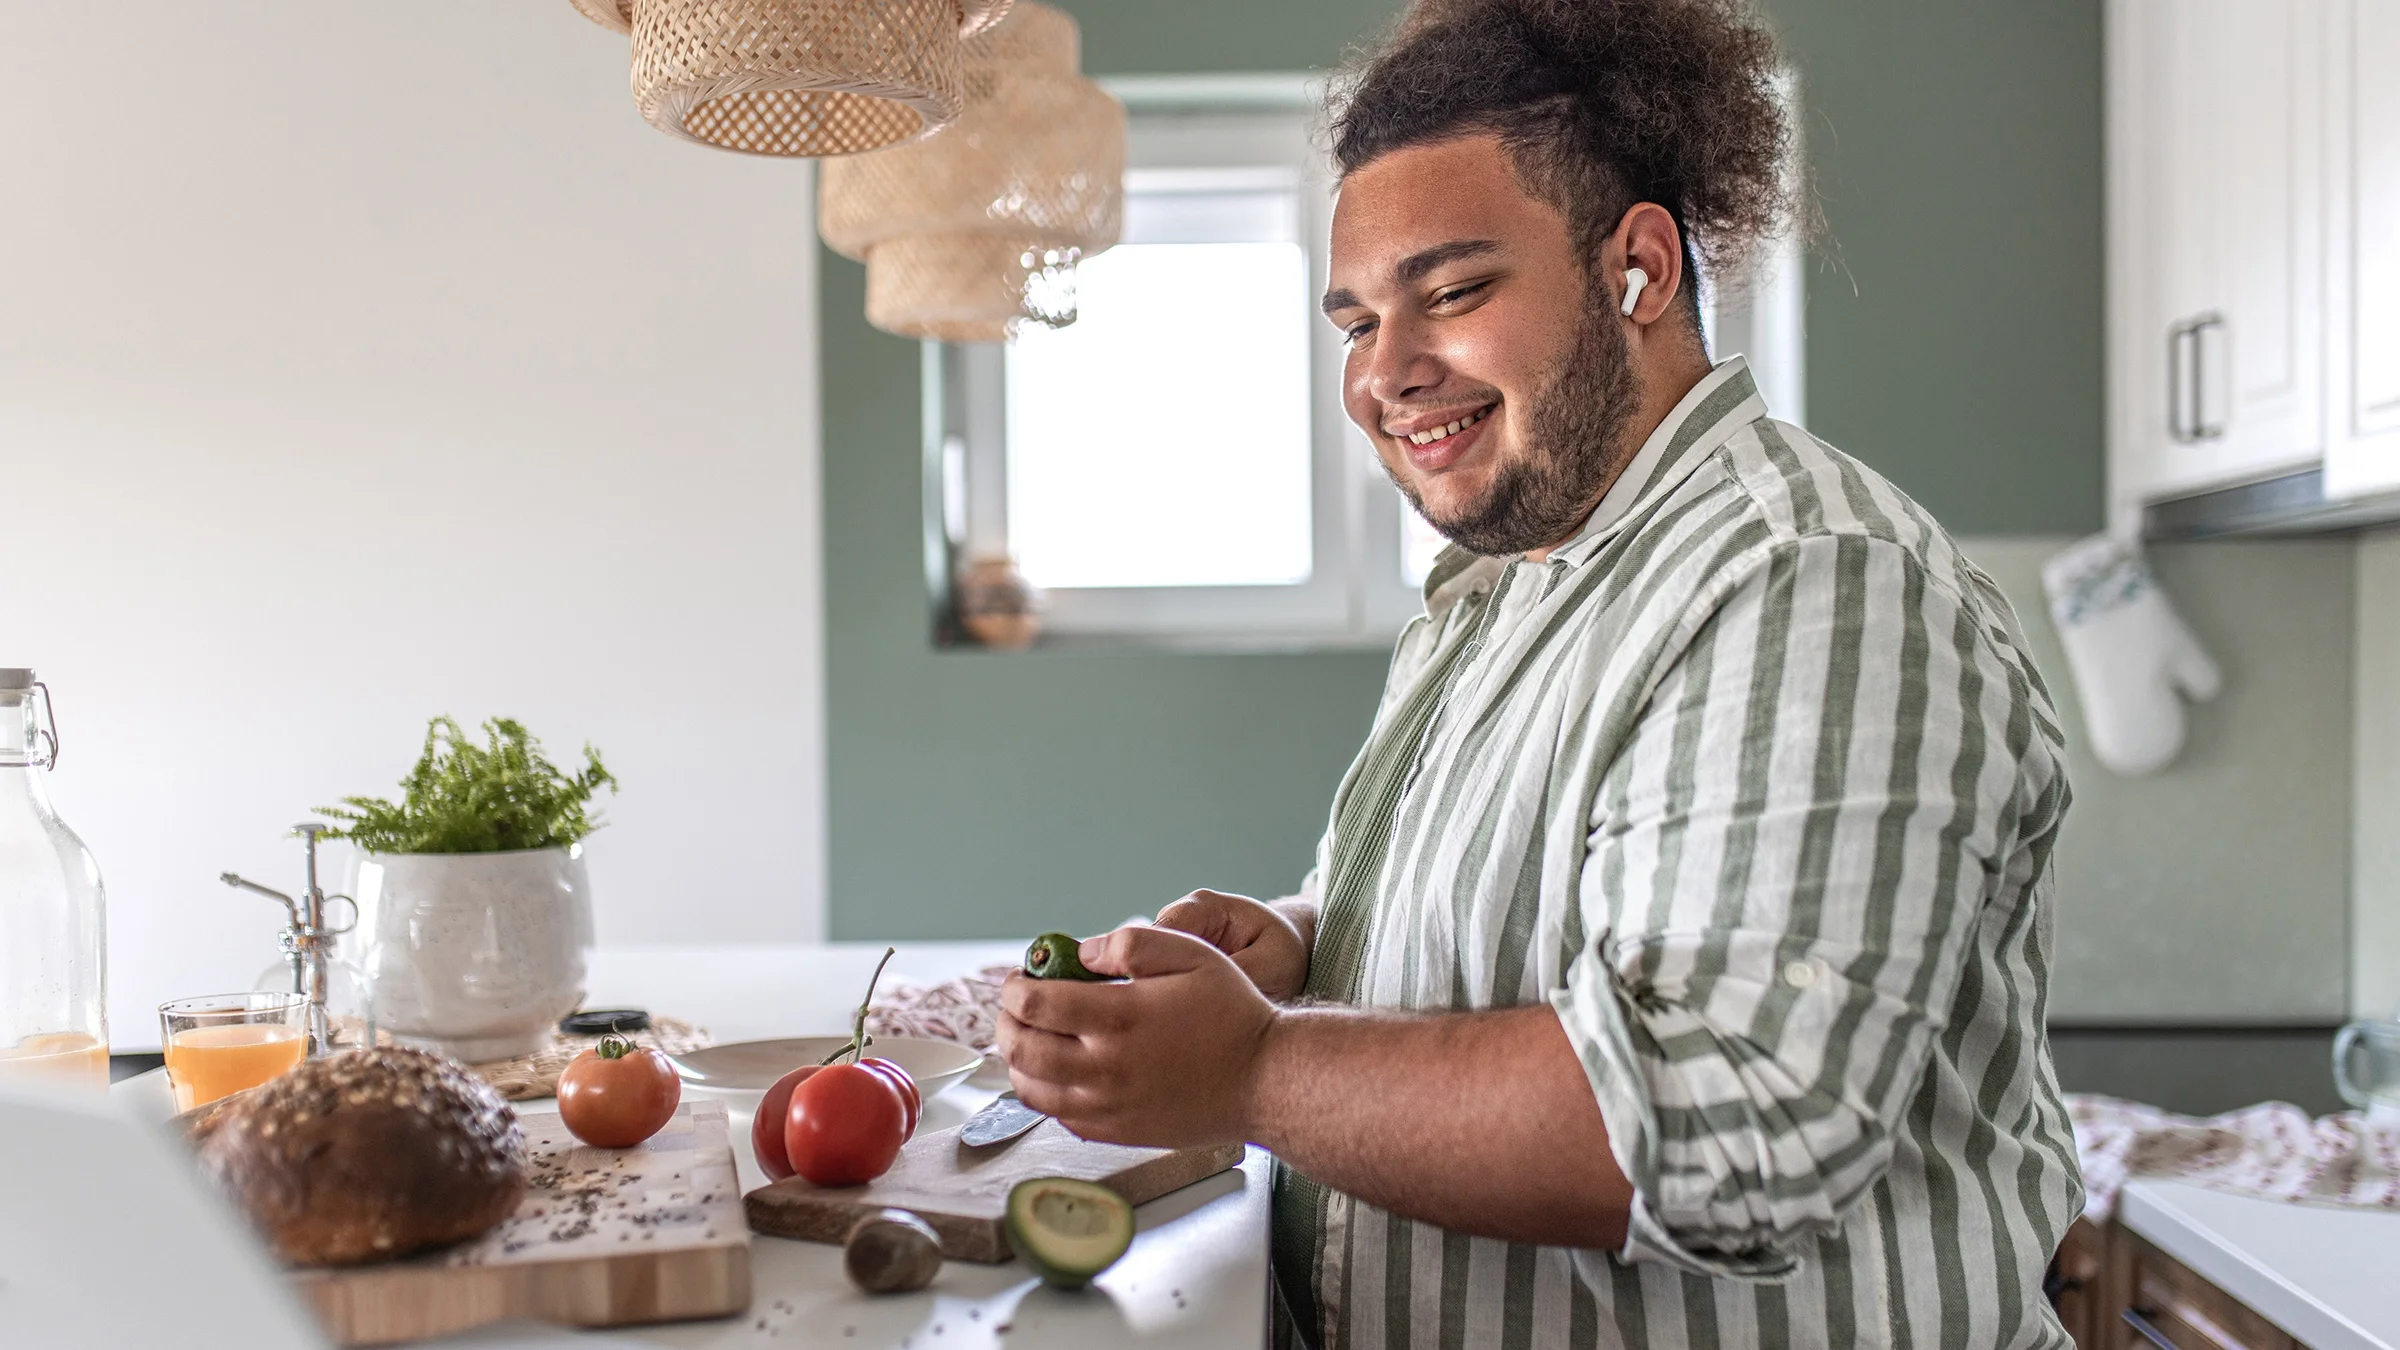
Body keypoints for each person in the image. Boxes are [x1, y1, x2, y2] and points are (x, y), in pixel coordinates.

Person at [995, 0, 2084, 1345]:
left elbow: (1724, 1123)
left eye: (1451, 292)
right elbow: (1581, 917)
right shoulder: (1514, 576)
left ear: (1638, 267)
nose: (1384, 373)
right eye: (1356, 320)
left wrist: (1256, 1064)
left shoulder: (1811, 577)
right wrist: (1312, 943)